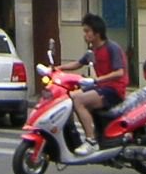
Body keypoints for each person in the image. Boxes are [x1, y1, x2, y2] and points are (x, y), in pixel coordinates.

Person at [55, 13, 128, 156]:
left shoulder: (111, 47)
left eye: (87, 31)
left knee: (78, 100)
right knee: (69, 97)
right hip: (102, 88)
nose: (85, 34)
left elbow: (119, 72)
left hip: (114, 90)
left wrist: (97, 80)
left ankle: (91, 141)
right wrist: (58, 68)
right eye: (84, 31)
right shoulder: (93, 51)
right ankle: (80, 133)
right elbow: (78, 63)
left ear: (97, 33)